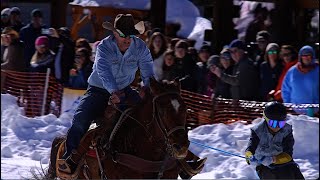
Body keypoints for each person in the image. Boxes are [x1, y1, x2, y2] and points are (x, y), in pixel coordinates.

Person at [245, 101, 304, 179]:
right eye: (273, 123)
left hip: (283, 162)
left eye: (280, 124)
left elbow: (288, 154)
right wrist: (250, 157)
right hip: (264, 166)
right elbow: (250, 148)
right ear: (266, 119)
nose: (277, 127)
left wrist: (273, 159)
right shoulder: (257, 131)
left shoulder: (287, 130)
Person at [281, 45, 319, 115]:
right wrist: (288, 106)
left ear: (313, 56)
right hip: (295, 111)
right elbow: (285, 90)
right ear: (300, 57)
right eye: (304, 55)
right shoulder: (292, 71)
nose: (306, 58)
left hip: (315, 111)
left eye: (309, 55)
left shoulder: (317, 70)